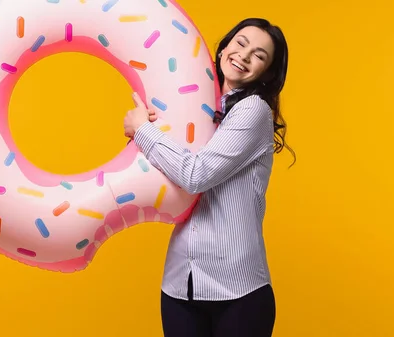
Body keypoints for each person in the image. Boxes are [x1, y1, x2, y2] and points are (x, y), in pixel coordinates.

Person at [123, 17, 294, 337]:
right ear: (224, 47)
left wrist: (143, 131)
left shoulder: (253, 111)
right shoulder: (193, 105)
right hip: (179, 285)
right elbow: (156, 169)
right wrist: (147, 126)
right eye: (240, 43)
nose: (244, 56)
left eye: (259, 55)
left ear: (267, 73)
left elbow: (194, 174)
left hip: (238, 292)